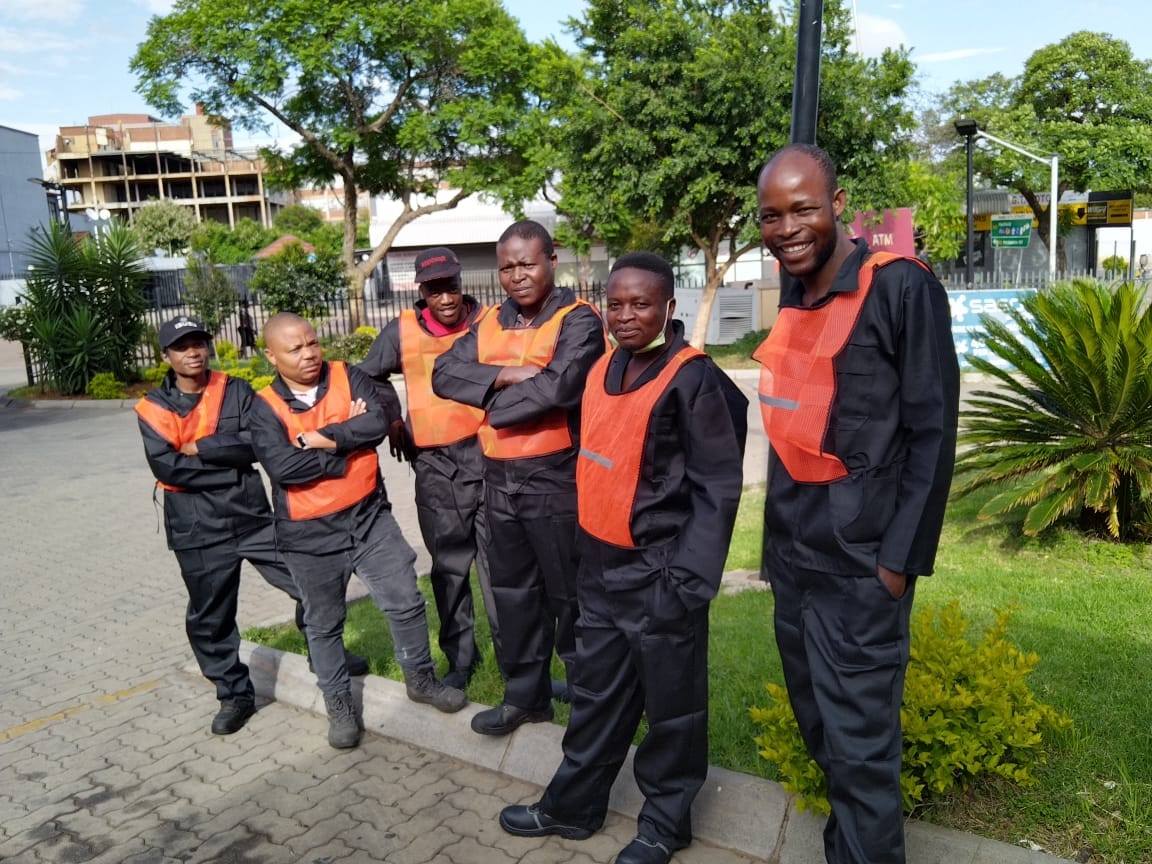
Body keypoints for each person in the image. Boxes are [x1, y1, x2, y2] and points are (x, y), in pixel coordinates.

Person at [498, 253, 747, 864]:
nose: (626, 315)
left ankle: (664, 825)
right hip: (601, 571)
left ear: (669, 307)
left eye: (641, 304)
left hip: (662, 573)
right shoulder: (602, 368)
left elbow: (718, 486)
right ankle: (573, 806)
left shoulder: (692, 378)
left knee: (672, 709)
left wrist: (686, 580)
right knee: (596, 696)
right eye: (616, 304)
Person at [753, 143, 959, 864]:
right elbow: (794, 430)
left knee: (862, 754)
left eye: (803, 209)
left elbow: (933, 432)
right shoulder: (793, 292)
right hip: (795, 562)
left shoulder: (900, 287)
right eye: (771, 216)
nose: (787, 228)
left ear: (837, 205)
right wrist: (773, 558)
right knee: (822, 732)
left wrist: (898, 564)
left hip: (864, 567)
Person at [134, 314, 367, 736]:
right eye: (182, 347)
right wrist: (229, 463)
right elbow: (168, 469)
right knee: (212, 617)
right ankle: (234, 695)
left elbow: (259, 444)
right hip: (197, 529)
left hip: (254, 517)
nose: (193, 353)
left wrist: (203, 448)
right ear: (166, 356)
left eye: (198, 343)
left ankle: (323, 655)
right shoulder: (153, 409)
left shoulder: (235, 389)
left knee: (310, 583)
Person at [247, 312, 467, 749]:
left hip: (370, 518)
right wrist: (347, 443)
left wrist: (320, 437)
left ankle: (420, 679)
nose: (309, 354)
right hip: (309, 535)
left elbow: (377, 424)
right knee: (324, 622)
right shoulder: (263, 407)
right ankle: (339, 704)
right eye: (295, 348)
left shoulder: (348, 376)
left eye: (313, 342)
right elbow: (284, 468)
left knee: (405, 600)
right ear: (271, 356)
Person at [432, 219, 607, 736]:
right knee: (513, 595)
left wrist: (488, 403)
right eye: (507, 267)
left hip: (555, 480)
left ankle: (590, 705)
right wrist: (505, 375)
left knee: (570, 597)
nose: (517, 275)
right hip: (498, 479)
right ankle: (527, 697)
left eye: (527, 263)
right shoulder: (488, 321)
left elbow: (560, 387)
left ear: (551, 260)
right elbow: (443, 373)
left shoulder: (579, 320)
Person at [356, 245, 499, 689]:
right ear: (421, 292)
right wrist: (392, 419)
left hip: (491, 456)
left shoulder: (490, 321)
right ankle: (461, 660)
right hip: (437, 466)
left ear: (461, 282)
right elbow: (368, 376)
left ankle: (516, 660)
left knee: (501, 567)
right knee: (450, 568)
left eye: (451, 286)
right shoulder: (401, 330)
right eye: (435, 290)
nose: (446, 298)